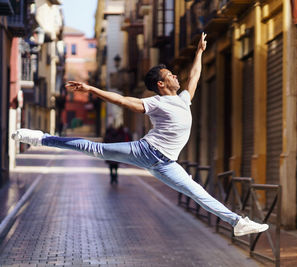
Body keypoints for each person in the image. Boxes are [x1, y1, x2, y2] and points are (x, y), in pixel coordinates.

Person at [11, 33, 269, 237]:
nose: (176, 76)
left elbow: (195, 76)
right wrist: (91, 89)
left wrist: (200, 52)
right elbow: (123, 100)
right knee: (94, 149)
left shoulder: (182, 99)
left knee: (197, 192)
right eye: (170, 75)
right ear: (161, 83)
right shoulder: (156, 103)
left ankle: (237, 223)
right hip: (146, 151)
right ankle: (40, 138)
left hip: (167, 164)